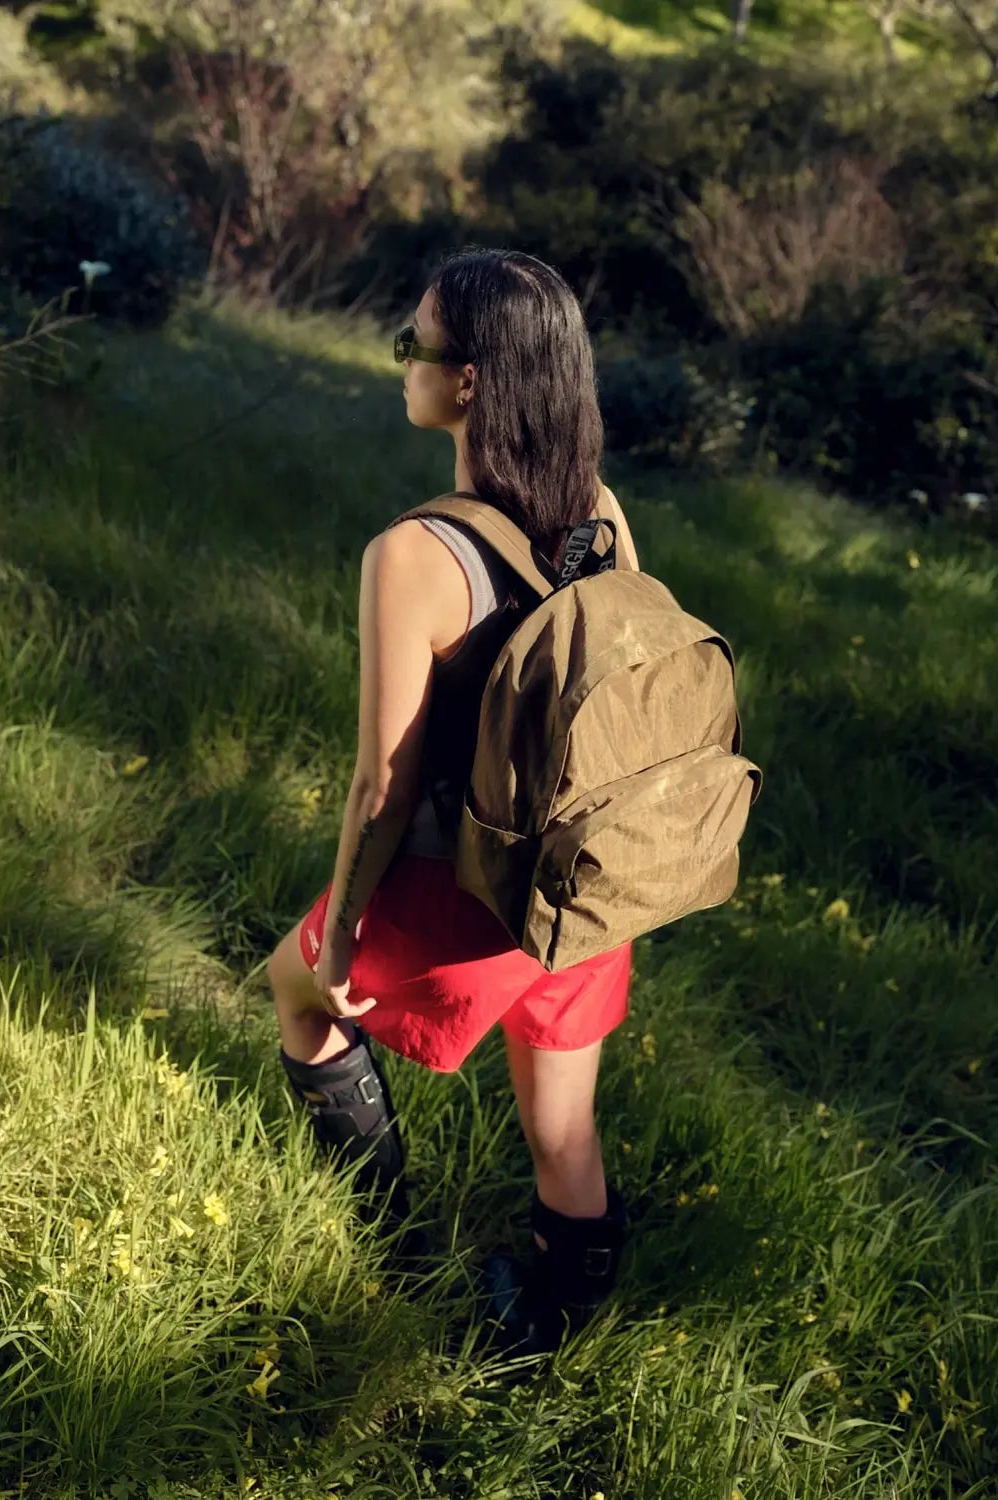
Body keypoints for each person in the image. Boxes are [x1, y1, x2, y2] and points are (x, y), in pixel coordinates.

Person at [266, 248, 640, 1352]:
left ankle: (392, 1246)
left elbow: (381, 788)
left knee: (294, 990)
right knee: (563, 1130)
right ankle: (556, 1328)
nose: (401, 364)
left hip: (463, 900)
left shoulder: (415, 554)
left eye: (411, 345)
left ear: (467, 380)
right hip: (579, 891)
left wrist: (338, 940)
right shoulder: (603, 516)